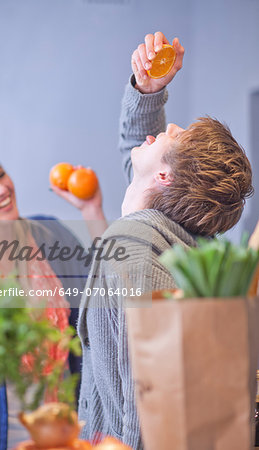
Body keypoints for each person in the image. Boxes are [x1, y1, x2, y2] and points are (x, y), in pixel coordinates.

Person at [77, 31, 253, 449]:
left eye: (175, 135)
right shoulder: (165, 228)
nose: (167, 127)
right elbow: (139, 153)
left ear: (164, 177)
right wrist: (149, 92)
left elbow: (146, 403)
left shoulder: (135, 250)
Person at [0, 146, 104, 449]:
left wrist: (91, 212)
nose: (1, 188)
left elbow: (105, 291)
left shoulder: (49, 235)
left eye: (0, 175)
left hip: (67, 429)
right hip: (3, 437)